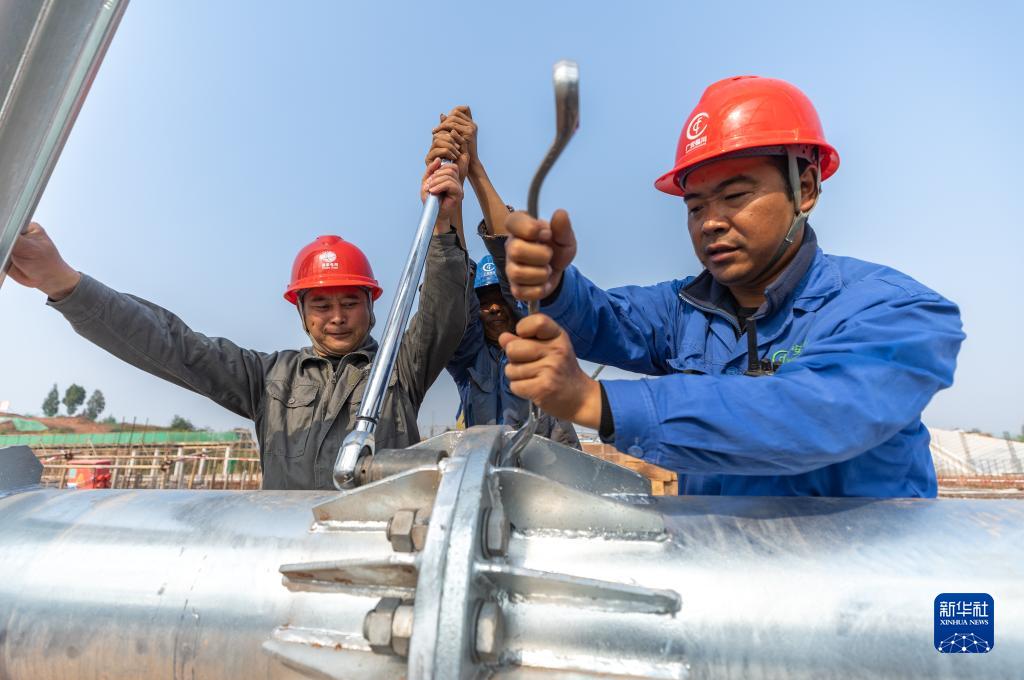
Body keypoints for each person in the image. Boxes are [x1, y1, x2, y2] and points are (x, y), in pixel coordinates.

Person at [498, 75, 964, 497]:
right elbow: (605, 320)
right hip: (720, 560)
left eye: (736, 196)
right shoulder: (685, 310)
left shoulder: (896, 312)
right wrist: (554, 286)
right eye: (695, 206)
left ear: (805, 189)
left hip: (858, 565)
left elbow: (817, 414)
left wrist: (593, 401)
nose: (711, 222)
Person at [8, 152, 469, 490]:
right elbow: (172, 344)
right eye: (321, 306)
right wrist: (64, 282)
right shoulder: (269, 378)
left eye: (350, 302)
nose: (336, 317)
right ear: (301, 313)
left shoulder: (398, 370)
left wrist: (444, 226)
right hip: (281, 554)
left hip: (376, 555)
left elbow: (442, 311)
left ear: (371, 306)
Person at [427, 107, 579, 447]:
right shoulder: (469, 360)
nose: (494, 308)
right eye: (485, 302)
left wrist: (475, 169)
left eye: (500, 298)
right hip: (485, 473)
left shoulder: (539, 345)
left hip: (552, 472)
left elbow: (512, 261)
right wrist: (452, 193)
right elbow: (454, 289)